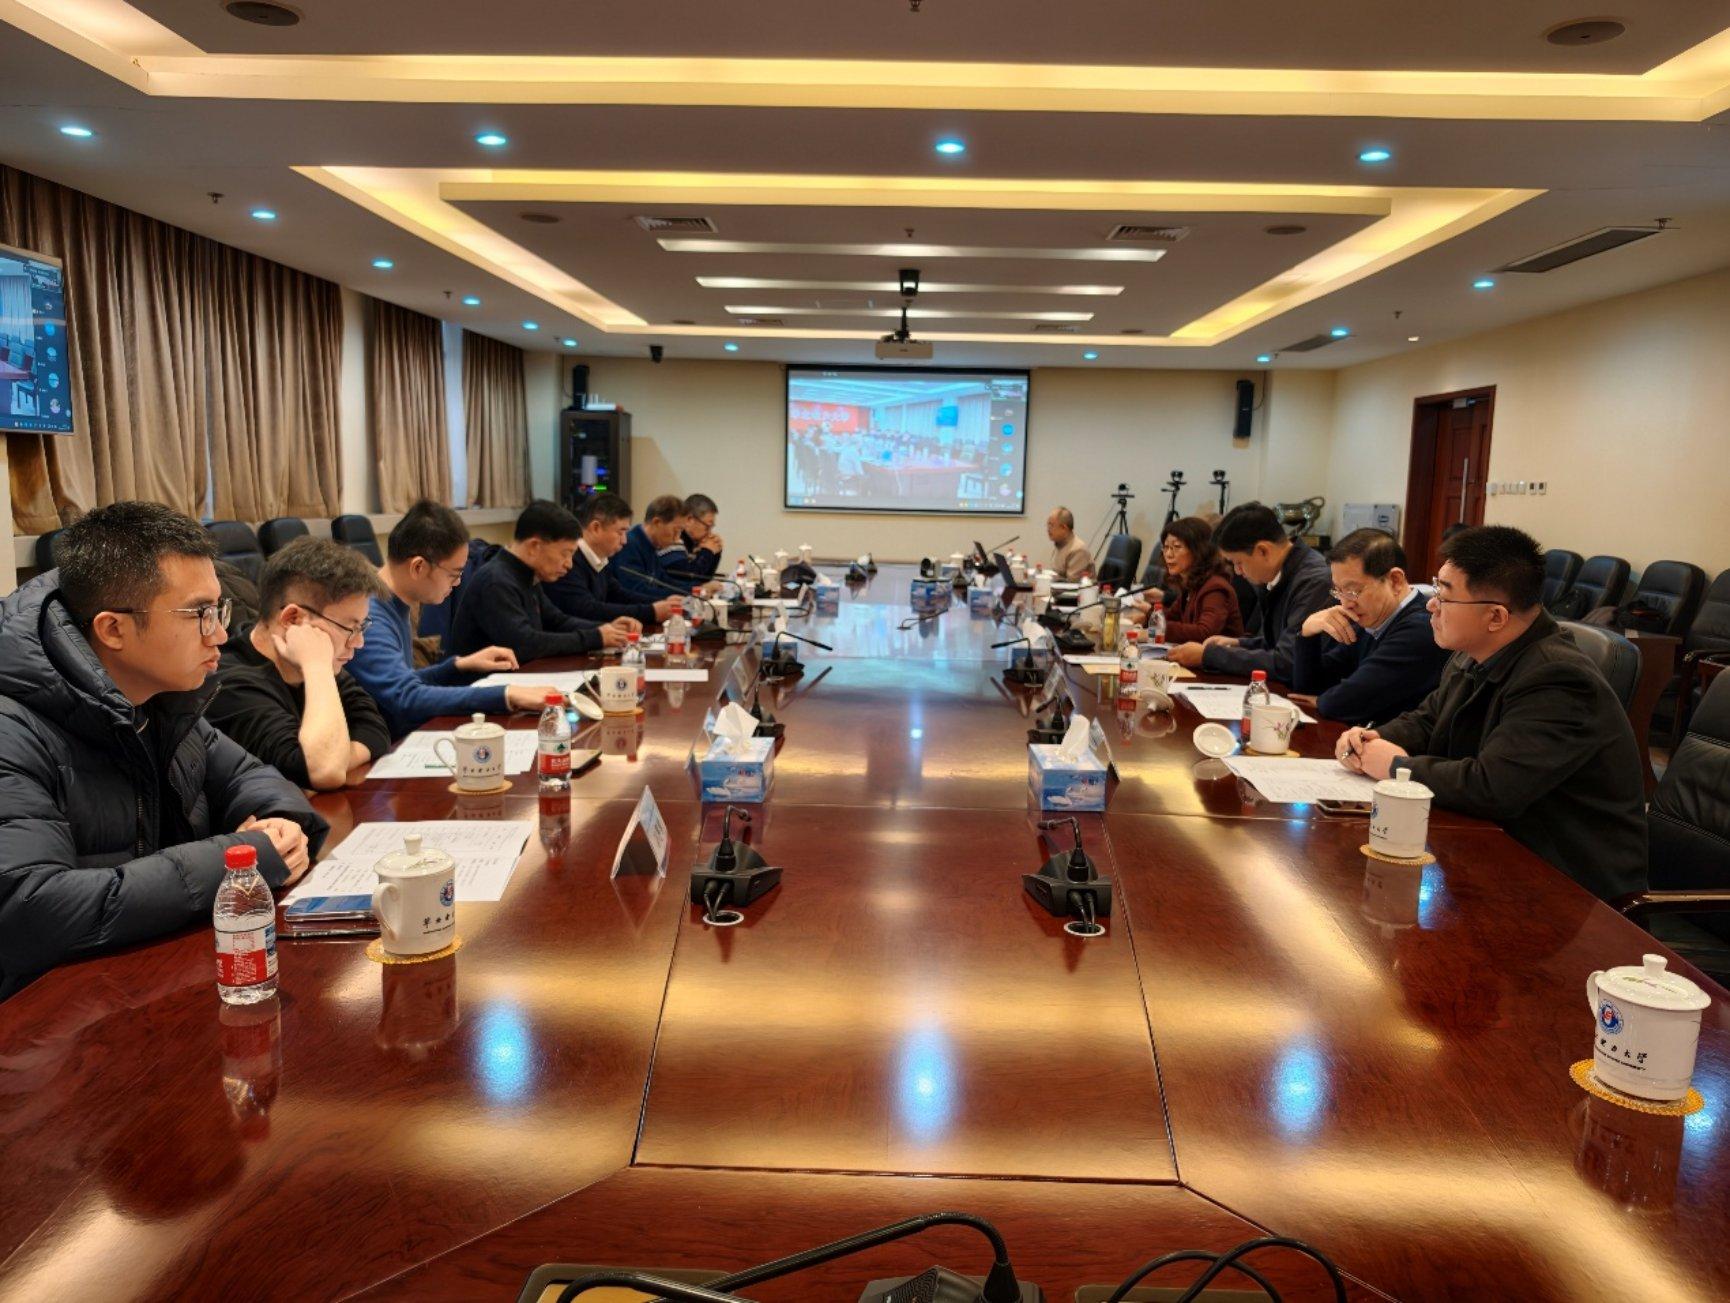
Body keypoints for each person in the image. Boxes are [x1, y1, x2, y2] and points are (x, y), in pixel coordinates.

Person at [0, 501, 326, 1001]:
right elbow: (32, 908)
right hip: (43, 1014)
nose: (220, 634)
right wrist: (239, 859)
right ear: (113, 629)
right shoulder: (12, 728)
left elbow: (251, 777)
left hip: (142, 980)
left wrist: (279, 825)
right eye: (199, 614)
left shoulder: (158, 697)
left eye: (219, 610)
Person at [1337, 525, 1646, 900]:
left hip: (1568, 887)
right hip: (1494, 853)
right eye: (1435, 590)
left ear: (1496, 617)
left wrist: (1395, 766)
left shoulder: (1559, 679)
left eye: (1445, 597)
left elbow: (1492, 788)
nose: (1431, 605)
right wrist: (1372, 739)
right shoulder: (1472, 652)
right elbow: (1427, 719)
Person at [347, 500, 560, 739]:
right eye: (454, 574)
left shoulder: (392, 603)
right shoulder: (369, 618)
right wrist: (506, 694)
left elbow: (397, 681)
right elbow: (405, 696)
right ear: (418, 567)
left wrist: (458, 666)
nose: (458, 583)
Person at [206, 538, 393, 791]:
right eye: (350, 628)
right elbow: (324, 770)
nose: (358, 642)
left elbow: (375, 728)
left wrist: (339, 759)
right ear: (293, 619)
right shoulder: (230, 684)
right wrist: (317, 668)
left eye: (362, 627)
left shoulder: (317, 665)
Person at [1291, 529, 1450, 726]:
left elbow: (1345, 703)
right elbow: (1310, 688)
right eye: (1338, 591)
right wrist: (1307, 633)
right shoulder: (1370, 620)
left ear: (1395, 581)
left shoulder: (1421, 629)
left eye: (1352, 591)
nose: (1345, 603)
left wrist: (1323, 701)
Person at [448, 500, 631, 662]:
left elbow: (557, 621)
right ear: (534, 546)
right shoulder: (496, 581)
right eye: (565, 554)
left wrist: (608, 630)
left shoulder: (527, 574)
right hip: (481, 685)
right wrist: (595, 637)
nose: (569, 564)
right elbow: (525, 644)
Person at [1169, 502, 1330, 680]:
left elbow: (1287, 661)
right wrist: (1239, 644)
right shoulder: (1280, 572)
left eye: (1238, 562)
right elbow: (1278, 642)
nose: (1237, 571)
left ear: (1263, 551)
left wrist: (1208, 656)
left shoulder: (1313, 582)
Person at [546, 492, 674, 628]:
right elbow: (586, 609)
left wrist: (662, 603)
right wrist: (651, 611)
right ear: (596, 528)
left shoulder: (599, 559)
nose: (624, 541)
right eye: (620, 532)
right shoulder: (568, 562)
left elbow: (618, 594)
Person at [1128, 516, 1243, 642]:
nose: (1168, 554)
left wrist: (1155, 631)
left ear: (1198, 550)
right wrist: (1147, 617)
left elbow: (1205, 632)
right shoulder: (1191, 584)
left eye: (1177, 547)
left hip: (1220, 654)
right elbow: (1171, 617)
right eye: (1166, 547)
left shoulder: (1215, 587)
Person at [614, 494, 690, 602]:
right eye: (676, 530)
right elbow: (637, 590)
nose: (677, 538)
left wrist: (695, 589)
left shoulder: (651, 544)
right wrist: (688, 593)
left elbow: (663, 581)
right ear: (657, 522)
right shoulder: (629, 545)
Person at [676, 493, 723, 582]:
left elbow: (706, 578)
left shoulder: (694, 541)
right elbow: (689, 579)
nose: (709, 533)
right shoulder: (675, 540)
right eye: (707, 526)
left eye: (711, 527)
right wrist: (707, 552)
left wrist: (715, 552)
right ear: (689, 520)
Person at [1046, 507, 1094, 581]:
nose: (1048, 529)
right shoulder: (1059, 544)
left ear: (1064, 528)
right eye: (1048, 525)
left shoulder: (1078, 549)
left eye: (1051, 525)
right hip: (1058, 587)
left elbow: (1072, 583)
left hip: (1073, 588)